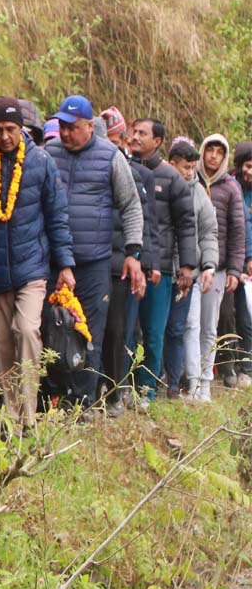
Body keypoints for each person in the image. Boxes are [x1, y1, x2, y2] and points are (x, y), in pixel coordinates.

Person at [0, 97, 74, 425]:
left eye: (12, 129)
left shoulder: (41, 162)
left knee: (27, 330)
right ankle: (12, 416)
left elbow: (57, 216)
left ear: (22, 129)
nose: (5, 136)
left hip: (31, 265)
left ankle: (29, 414)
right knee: (1, 343)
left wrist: (65, 265)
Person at [43, 95, 143, 410]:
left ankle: (82, 401)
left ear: (90, 126)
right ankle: (52, 397)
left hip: (94, 261)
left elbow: (131, 206)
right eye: (61, 126)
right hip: (53, 261)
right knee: (51, 328)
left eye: (72, 127)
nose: (66, 132)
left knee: (89, 333)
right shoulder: (49, 154)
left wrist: (133, 251)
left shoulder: (110, 157)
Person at [127, 118, 198, 403]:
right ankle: (123, 387)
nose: (135, 137)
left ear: (157, 141)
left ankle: (147, 390)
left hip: (162, 267)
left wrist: (187, 267)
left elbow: (186, 224)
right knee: (126, 330)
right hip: (128, 263)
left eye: (142, 133)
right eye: (133, 132)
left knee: (154, 332)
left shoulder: (171, 178)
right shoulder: (122, 168)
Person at [98, 106, 157, 414]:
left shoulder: (135, 174)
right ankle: (92, 391)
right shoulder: (90, 167)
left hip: (121, 262)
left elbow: (145, 220)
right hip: (92, 260)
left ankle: (116, 390)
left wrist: (142, 262)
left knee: (119, 329)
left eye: (112, 138)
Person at [162, 139, 217, 399]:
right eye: (185, 167)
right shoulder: (157, 183)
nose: (189, 172)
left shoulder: (199, 194)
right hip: (160, 268)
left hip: (189, 272)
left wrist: (208, 265)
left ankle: (185, 383)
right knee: (154, 329)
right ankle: (154, 379)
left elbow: (208, 233)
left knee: (185, 326)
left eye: (192, 167)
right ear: (172, 163)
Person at [194, 134, 246, 401]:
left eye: (218, 152)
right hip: (191, 265)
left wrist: (235, 270)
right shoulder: (191, 180)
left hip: (221, 267)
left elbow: (238, 231)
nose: (213, 156)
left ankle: (210, 375)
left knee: (214, 323)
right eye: (209, 150)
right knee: (188, 325)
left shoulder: (231, 187)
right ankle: (187, 375)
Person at [225, 142, 252, 388]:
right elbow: (239, 228)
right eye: (248, 166)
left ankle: (246, 366)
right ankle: (230, 363)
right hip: (235, 261)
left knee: (246, 318)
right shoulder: (230, 186)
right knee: (232, 314)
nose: (250, 172)